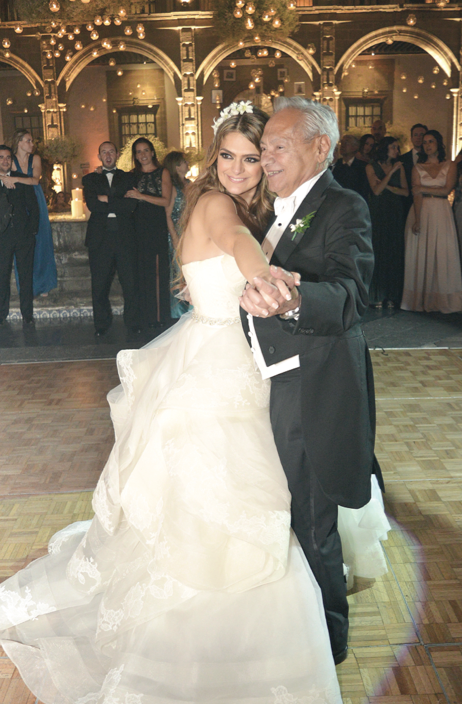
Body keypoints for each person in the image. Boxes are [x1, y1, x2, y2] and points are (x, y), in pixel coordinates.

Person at [0, 104, 344, 704]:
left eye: (251, 158)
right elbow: (240, 247)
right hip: (220, 363)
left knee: (215, 493)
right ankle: (207, 641)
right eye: (228, 156)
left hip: (217, 351)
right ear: (215, 156)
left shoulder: (218, 203)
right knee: (228, 496)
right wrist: (267, 279)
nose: (238, 169)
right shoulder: (219, 208)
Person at [239, 97, 385, 666]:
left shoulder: (343, 205)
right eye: (264, 147)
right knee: (283, 509)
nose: (266, 158)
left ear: (320, 147)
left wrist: (295, 301)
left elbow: (351, 295)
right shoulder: (272, 209)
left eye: (279, 146)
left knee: (311, 516)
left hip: (311, 385)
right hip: (266, 384)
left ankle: (328, 641)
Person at [82, 141, 140, 336]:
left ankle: (133, 323)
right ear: (99, 156)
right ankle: (101, 325)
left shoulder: (129, 177)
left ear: (117, 154)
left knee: (130, 283)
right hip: (100, 238)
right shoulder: (90, 179)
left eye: (111, 152)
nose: (108, 155)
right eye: (104, 152)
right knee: (99, 285)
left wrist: (106, 199)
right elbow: (92, 205)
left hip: (125, 237)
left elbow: (130, 205)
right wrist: (118, 200)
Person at [402, 130, 462, 313]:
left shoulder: (450, 165)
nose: (427, 145)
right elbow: (416, 194)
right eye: (425, 142)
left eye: (431, 141)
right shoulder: (417, 168)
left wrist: (423, 188)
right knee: (421, 252)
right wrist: (418, 219)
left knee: (442, 251)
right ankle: (420, 298)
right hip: (422, 210)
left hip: (441, 211)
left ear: (438, 144)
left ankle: (442, 298)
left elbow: (446, 190)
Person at [2, 129, 57, 298]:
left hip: (36, 198)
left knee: (41, 240)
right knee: (22, 243)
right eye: (28, 140)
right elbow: (4, 174)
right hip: (19, 201)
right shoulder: (10, 160)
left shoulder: (36, 158)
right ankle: (27, 287)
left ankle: (44, 284)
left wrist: (15, 179)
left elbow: (35, 180)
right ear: (19, 142)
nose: (32, 144)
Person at [125, 137, 172, 329]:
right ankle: (146, 317)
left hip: (156, 227)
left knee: (158, 272)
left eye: (145, 150)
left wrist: (140, 196)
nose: (142, 154)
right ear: (135, 156)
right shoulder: (131, 175)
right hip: (137, 228)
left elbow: (166, 201)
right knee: (142, 273)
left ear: (152, 152)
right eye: (138, 152)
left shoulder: (163, 172)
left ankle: (160, 317)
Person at [366, 136, 409, 307]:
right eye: (393, 147)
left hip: (395, 210)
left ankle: (392, 294)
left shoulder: (400, 167)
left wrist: (389, 186)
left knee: (393, 249)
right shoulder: (371, 166)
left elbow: (405, 192)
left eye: (397, 147)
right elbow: (376, 191)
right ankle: (377, 294)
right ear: (385, 148)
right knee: (378, 247)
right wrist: (390, 174)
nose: (396, 151)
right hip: (378, 210)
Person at [0, 145, 39, 324]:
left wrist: (32, 231)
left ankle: (27, 315)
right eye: (1, 157)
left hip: (24, 235)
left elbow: (33, 207)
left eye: (8, 157)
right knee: (2, 276)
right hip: (2, 237)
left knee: (25, 276)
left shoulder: (22, 179)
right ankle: (1, 315)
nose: (5, 161)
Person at [163, 150, 190, 318]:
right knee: (178, 274)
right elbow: (167, 214)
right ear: (177, 166)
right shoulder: (173, 188)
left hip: (191, 233)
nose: (187, 164)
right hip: (177, 234)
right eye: (184, 161)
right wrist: (174, 237)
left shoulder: (190, 184)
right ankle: (178, 314)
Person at [400, 123, 428, 216]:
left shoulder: (432, 159)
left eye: (421, 135)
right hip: (407, 202)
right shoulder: (402, 159)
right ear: (411, 138)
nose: (418, 137)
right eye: (415, 135)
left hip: (427, 201)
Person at [332, 133, 369, 200]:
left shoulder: (362, 167)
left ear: (355, 147)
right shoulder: (335, 164)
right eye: (342, 142)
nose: (342, 145)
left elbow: (363, 190)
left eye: (346, 143)